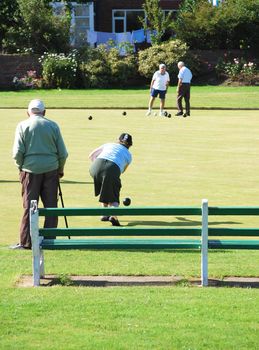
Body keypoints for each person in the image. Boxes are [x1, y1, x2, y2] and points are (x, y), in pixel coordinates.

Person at [11, 99, 68, 249]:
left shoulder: (22, 125)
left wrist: (20, 167)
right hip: (51, 170)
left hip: (30, 170)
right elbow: (63, 153)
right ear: (44, 112)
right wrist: (60, 168)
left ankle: (26, 242)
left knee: (29, 207)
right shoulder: (53, 125)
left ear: (28, 112)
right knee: (51, 207)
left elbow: (17, 153)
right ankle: (49, 241)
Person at [89, 133, 133, 226]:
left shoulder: (109, 144)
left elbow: (91, 156)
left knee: (105, 186)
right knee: (113, 191)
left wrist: (99, 167)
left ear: (118, 140)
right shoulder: (128, 155)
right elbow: (122, 171)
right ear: (129, 145)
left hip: (94, 167)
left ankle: (104, 214)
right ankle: (113, 216)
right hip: (112, 169)